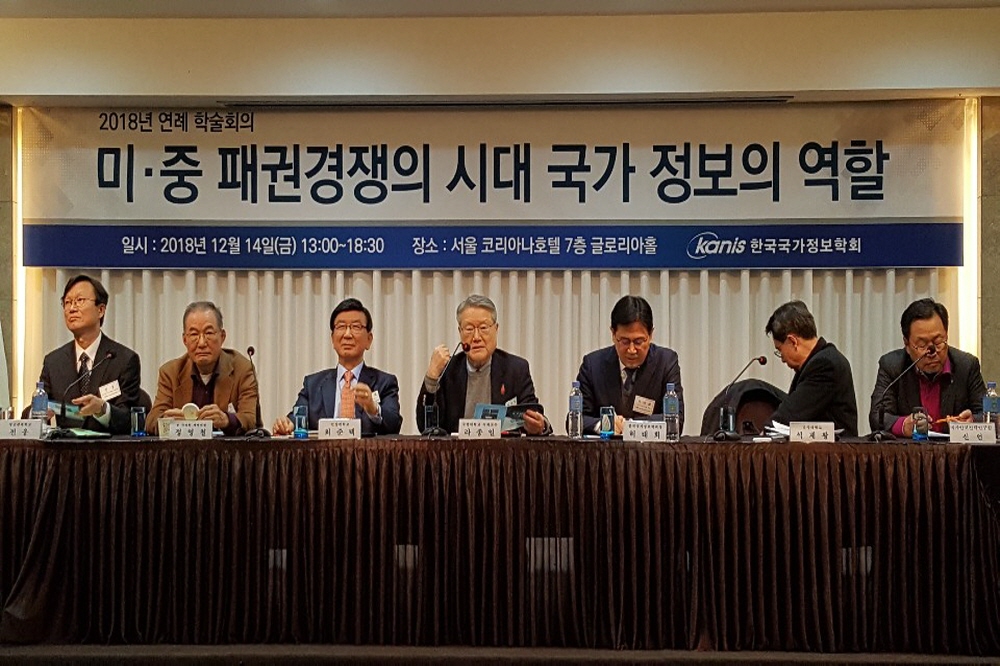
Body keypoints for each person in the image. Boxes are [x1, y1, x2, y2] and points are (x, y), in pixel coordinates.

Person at [416, 294, 549, 435]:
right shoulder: (448, 370)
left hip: (503, 449)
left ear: (496, 329)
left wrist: (540, 425)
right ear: (460, 332)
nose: (476, 337)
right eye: (469, 329)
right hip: (456, 449)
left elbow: (535, 415)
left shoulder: (516, 369)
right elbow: (425, 427)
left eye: (484, 328)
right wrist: (431, 377)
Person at [272, 298, 402, 436]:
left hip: (365, 450)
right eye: (341, 327)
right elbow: (296, 417)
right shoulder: (313, 384)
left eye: (356, 327)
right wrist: (287, 425)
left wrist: (373, 408)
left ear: (369, 340)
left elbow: (394, 425)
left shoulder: (385, 382)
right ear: (332, 339)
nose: (347, 334)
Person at [38, 274, 142, 434]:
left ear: (100, 310)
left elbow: (130, 420)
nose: (72, 308)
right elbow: (37, 408)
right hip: (64, 448)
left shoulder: (124, 360)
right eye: (67, 302)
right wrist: (38, 412)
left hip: (108, 448)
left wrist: (102, 409)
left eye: (79, 300)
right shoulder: (53, 362)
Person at [869, 298, 985, 437]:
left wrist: (972, 422)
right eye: (922, 345)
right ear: (907, 344)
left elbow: (988, 415)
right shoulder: (892, 366)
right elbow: (877, 417)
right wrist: (904, 425)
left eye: (938, 341)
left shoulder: (966, 366)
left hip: (955, 449)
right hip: (910, 450)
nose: (932, 352)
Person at [574, 295, 684, 435]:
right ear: (613, 334)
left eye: (638, 342)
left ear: (650, 335)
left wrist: (628, 426)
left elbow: (675, 420)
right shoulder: (592, 365)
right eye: (624, 341)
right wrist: (604, 424)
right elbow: (576, 419)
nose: (631, 350)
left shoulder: (666, 362)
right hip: (605, 448)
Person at [146, 301, 259, 435]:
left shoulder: (242, 369)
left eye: (209, 333)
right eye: (194, 334)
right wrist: (167, 420)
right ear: (185, 340)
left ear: (222, 336)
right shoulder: (170, 372)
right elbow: (151, 421)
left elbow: (250, 419)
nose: (201, 343)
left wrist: (226, 420)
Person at [766, 300, 858, 437]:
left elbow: (790, 415)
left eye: (780, 350)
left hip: (834, 450)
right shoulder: (818, 361)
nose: (782, 359)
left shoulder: (825, 365)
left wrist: (765, 432)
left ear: (793, 341)